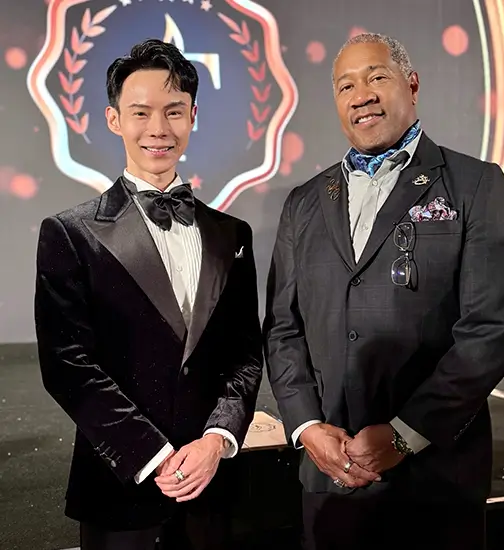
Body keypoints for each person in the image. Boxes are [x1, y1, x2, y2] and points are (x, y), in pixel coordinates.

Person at [263, 32, 504, 550]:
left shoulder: (476, 186)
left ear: (412, 85)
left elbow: (491, 329)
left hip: (437, 482)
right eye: (346, 86)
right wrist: (307, 427)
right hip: (330, 482)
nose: (361, 94)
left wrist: (406, 434)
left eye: (376, 77)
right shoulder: (303, 202)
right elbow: (283, 328)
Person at [34, 38, 263, 550]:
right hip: (120, 491)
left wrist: (217, 439)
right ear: (114, 119)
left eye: (174, 111)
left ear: (193, 116)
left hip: (213, 486)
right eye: (141, 112)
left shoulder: (233, 235)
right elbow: (66, 364)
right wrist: (153, 456)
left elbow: (245, 354)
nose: (158, 128)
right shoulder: (71, 233)